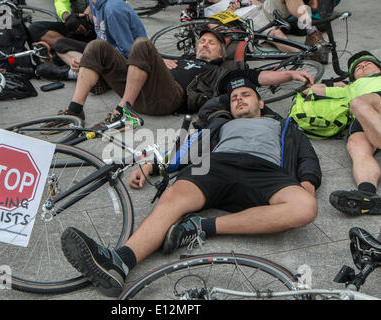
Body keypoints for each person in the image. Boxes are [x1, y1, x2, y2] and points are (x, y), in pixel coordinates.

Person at [59, 76, 321, 297]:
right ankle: (119, 262)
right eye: (234, 98)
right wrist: (154, 165)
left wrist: (307, 183)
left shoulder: (284, 125)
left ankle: (201, 227)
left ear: (261, 103)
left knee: (306, 208)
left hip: (265, 172)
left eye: (246, 95)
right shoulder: (220, 124)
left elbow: (306, 156)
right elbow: (186, 149)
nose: (239, 99)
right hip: (218, 165)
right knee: (174, 195)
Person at [57, 29, 314, 128]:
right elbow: (136, 63)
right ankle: (75, 109)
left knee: (143, 44)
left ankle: (124, 112)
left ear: (221, 53)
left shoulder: (221, 72)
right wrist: (156, 61)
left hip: (168, 97)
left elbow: (259, 77)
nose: (204, 45)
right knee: (98, 46)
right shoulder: (179, 59)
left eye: (210, 43)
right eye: (201, 41)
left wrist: (291, 73)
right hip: (141, 89)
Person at [306, 51, 381, 216]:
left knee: (358, 103)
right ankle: (367, 196)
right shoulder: (350, 88)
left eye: (368, 63)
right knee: (356, 145)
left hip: (375, 101)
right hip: (364, 119)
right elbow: (313, 90)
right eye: (358, 68)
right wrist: (336, 83)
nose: (363, 66)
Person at [31, 0, 147, 83]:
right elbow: (61, 2)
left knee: (64, 48)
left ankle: (71, 72)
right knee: (42, 32)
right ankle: (69, 61)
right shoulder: (94, 3)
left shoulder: (113, 9)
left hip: (113, 48)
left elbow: (127, 50)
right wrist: (71, 18)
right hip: (93, 32)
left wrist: (91, 58)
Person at [215, 0, 329, 60]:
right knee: (275, 34)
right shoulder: (209, 9)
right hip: (247, 18)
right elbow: (216, 26)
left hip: (263, 8)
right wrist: (229, 11)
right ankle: (309, 53)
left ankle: (311, 31)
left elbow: (258, 3)